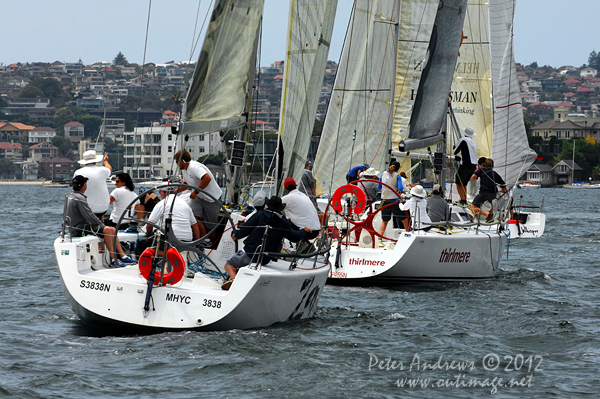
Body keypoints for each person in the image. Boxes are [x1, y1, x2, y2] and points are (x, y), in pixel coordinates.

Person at [222, 195, 308, 290]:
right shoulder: (283, 221)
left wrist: (235, 235)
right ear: (280, 208)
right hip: (266, 259)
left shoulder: (259, 214)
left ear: (268, 204)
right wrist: (303, 231)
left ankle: (234, 280)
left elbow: (244, 231)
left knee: (229, 264)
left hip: (250, 254)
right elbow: (294, 237)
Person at [66, 175, 136, 267]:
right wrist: (101, 225)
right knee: (107, 230)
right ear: (84, 185)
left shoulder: (72, 196)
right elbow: (89, 215)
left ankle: (123, 256)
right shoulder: (79, 198)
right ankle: (114, 259)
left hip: (78, 227)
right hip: (78, 229)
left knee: (113, 230)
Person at [174, 149, 222, 239]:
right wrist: (174, 192)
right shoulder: (185, 170)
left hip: (212, 199)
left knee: (210, 227)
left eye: (177, 162)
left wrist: (195, 192)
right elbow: (186, 185)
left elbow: (207, 178)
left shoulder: (194, 167)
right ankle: (203, 240)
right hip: (199, 198)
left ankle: (210, 244)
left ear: (181, 161)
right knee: (192, 217)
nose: (176, 164)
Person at [145, 186, 201, 253]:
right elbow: (195, 226)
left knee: (145, 247)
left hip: (171, 241)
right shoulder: (185, 204)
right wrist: (197, 244)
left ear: (162, 192)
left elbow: (149, 225)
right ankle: (183, 258)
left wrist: (149, 234)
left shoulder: (161, 204)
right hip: (187, 241)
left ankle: (169, 256)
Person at [74, 150, 112, 220]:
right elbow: (109, 169)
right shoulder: (103, 170)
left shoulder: (78, 172)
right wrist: (106, 161)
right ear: (95, 161)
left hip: (85, 210)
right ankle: (101, 223)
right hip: (103, 209)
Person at [377, 161, 409, 235]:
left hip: (384, 201)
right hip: (394, 201)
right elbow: (400, 188)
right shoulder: (397, 175)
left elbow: (379, 187)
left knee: (384, 221)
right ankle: (409, 234)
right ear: (398, 169)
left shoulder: (383, 174)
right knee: (404, 219)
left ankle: (380, 237)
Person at [453, 126, 478, 205]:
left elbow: (455, 151)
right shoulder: (473, 142)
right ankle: (464, 200)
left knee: (458, 182)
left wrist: (454, 149)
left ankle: (463, 201)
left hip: (466, 165)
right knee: (464, 184)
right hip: (473, 165)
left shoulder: (463, 140)